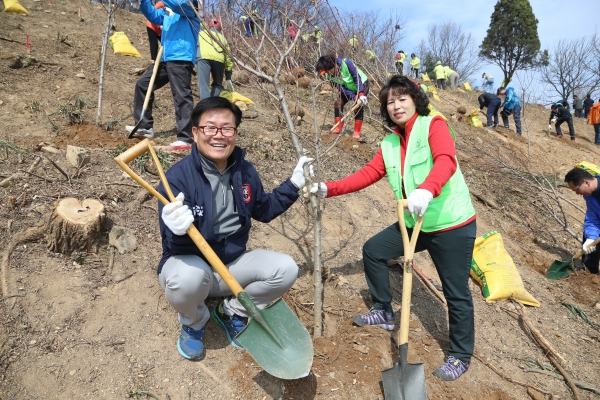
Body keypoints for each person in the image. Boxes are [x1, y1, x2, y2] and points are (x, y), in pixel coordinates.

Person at [310, 75, 476, 381]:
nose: (396, 105)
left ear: (415, 98)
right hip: (416, 223)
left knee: (456, 293)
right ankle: (384, 311)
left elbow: (445, 160)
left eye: (402, 98)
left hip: (452, 223)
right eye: (390, 101)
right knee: (373, 250)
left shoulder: (433, 124)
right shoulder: (388, 142)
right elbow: (368, 174)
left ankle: (461, 355)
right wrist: (328, 188)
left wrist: (427, 188)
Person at [157, 96, 313, 361]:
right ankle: (194, 322)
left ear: (235, 133)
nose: (219, 135)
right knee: (184, 281)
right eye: (210, 127)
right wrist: (175, 229)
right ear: (195, 133)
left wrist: (294, 185)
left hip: (232, 264)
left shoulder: (245, 171)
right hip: (195, 266)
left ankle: (232, 310)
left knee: (286, 269)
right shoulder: (176, 177)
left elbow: (264, 209)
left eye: (226, 128)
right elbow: (172, 245)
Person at [126, 0, 199, 150]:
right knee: (143, 85)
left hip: (181, 56)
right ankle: (145, 126)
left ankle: (186, 137)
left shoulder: (190, 7)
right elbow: (154, 16)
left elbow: (179, 6)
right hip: (165, 58)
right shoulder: (168, 10)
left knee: (181, 95)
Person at [315, 55, 369, 139]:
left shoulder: (346, 63)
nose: (328, 73)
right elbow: (341, 88)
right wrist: (353, 96)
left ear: (332, 65)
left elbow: (356, 78)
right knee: (338, 103)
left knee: (357, 105)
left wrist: (360, 94)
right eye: (325, 72)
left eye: (328, 71)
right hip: (348, 88)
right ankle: (338, 127)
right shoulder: (330, 76)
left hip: (362, 84)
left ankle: (357, 132)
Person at [565, 168, 600, 276]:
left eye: (576, 190)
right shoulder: (589, 195)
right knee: (590, 235)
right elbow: (593, 218)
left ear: (586, 183)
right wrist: (591, 238)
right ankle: (590, 271)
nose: (577, 194)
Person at [196, 18, 233, 100]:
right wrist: (228, 76)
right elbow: (228, 57)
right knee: (218, 84)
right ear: (220, 29)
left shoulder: (201, 34)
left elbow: (194, 47)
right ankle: (213, 103)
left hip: (203, 58)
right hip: (219, 60)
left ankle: (206, 107)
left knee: (204, 86)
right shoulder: (223, 38)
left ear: (209, 27)